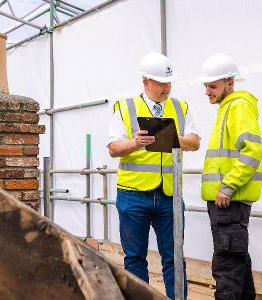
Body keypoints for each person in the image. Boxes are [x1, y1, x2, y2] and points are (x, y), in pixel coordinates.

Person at [107, 52, 200, 299]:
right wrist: (135, 143)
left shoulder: (180, 107)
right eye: (161, 83)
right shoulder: (124, 107)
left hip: (170, 195)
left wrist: (172, 139)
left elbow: (194, 142)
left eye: (169, 83)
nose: (166, 88)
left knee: (174, 257)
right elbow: (114, 148)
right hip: (133, 195)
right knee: (135, 257)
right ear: (145, 82)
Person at [198, 53, 262, 300]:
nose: (207, 91)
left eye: (212, 86)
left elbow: (252, 151)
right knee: (238, 264)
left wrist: (227, 187)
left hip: (229, 202)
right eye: (206, 86)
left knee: (226, 267)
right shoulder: (227, 108)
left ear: (229, 83)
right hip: (227, 204)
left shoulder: (238, 106)